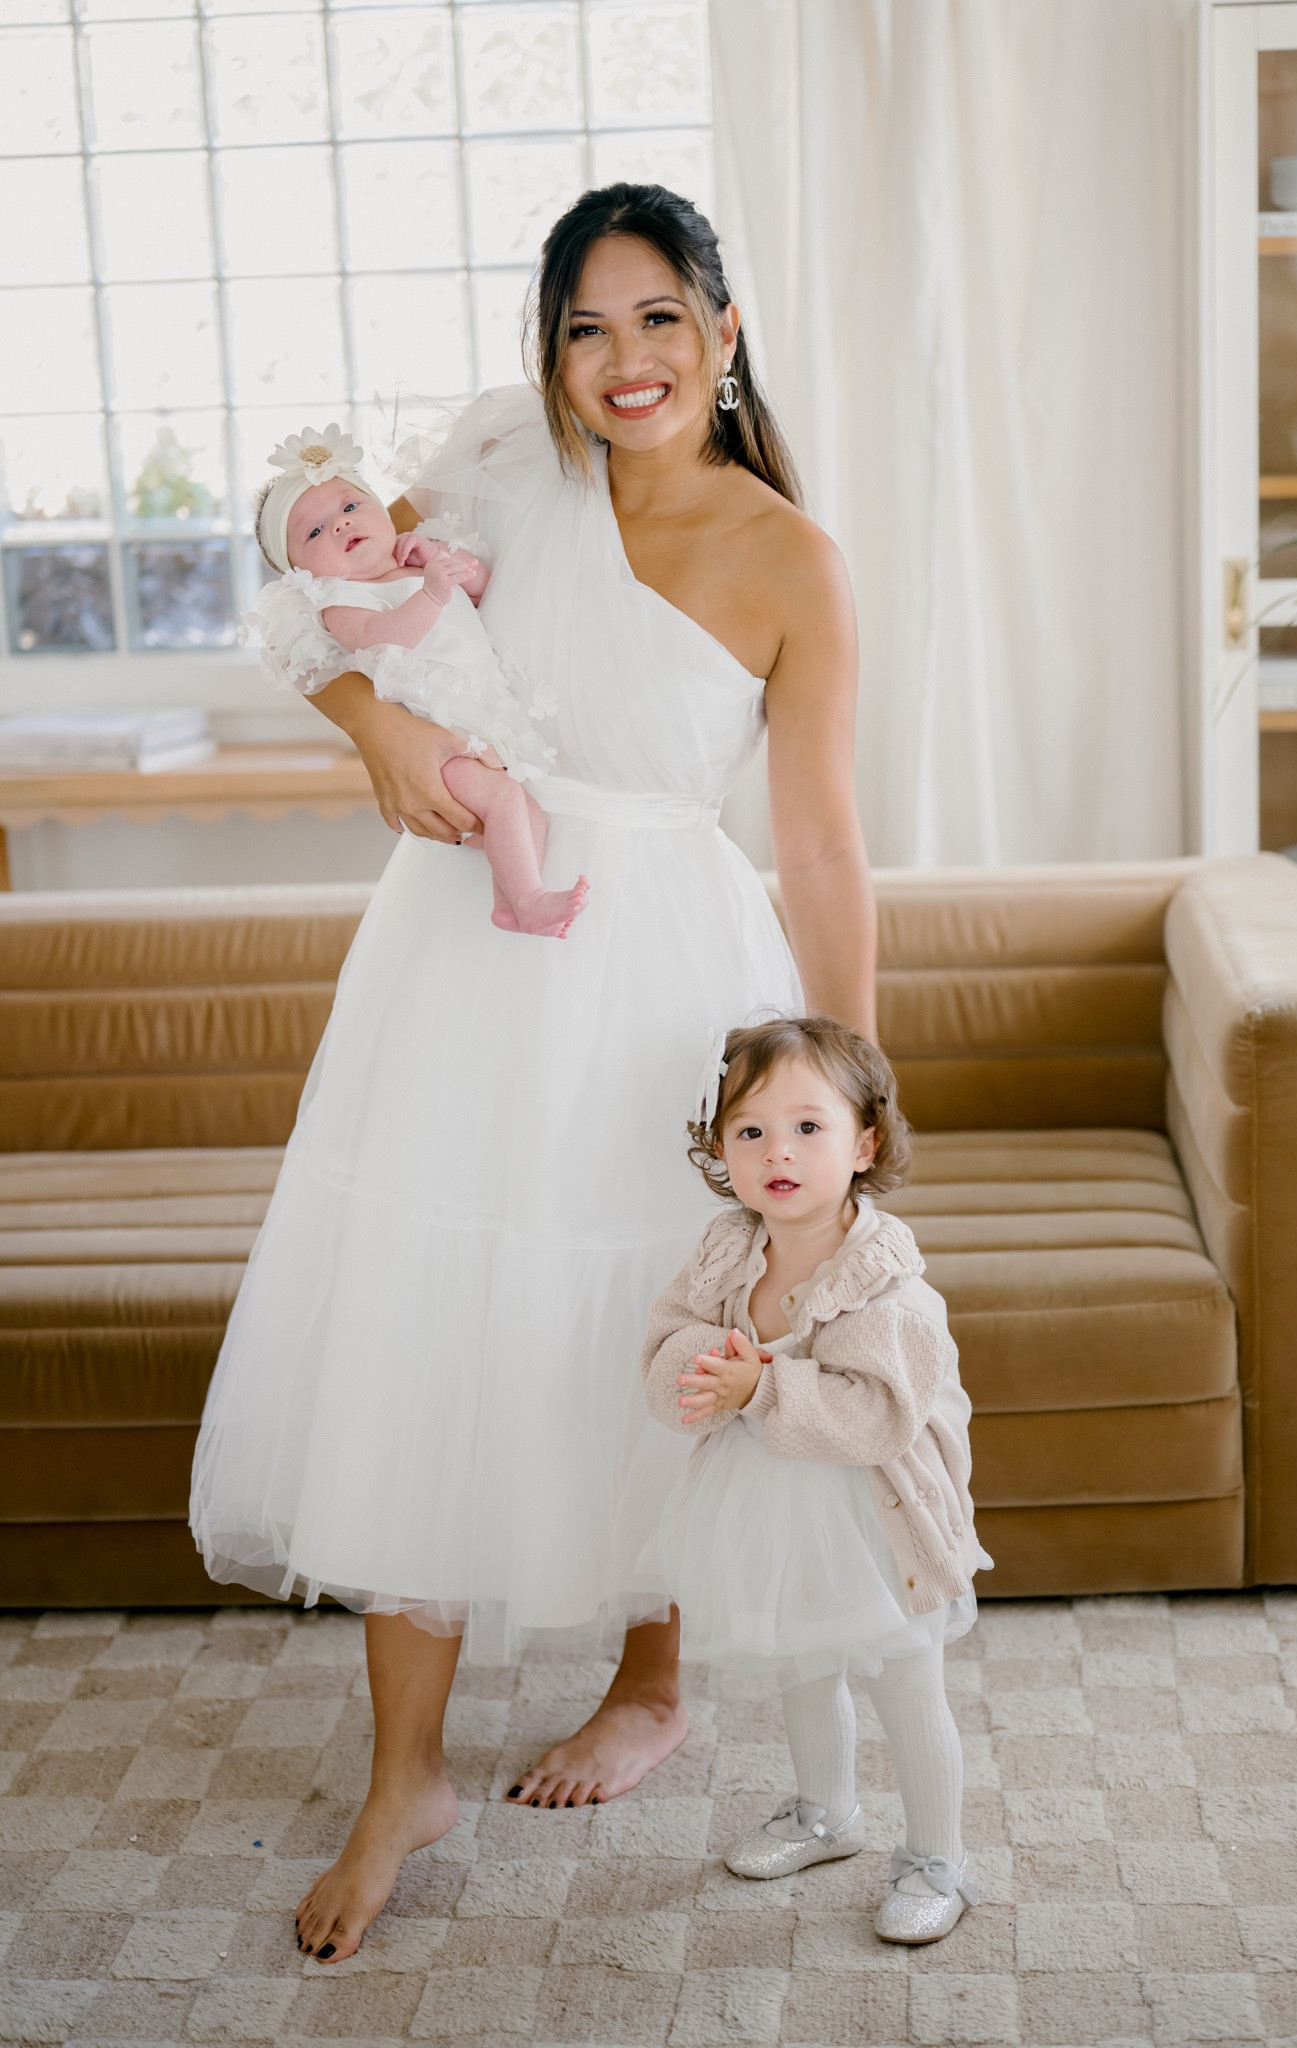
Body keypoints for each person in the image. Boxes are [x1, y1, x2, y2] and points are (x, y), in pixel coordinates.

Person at [189, 181, 875, 1965]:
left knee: (658, 1320)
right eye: (587, 325)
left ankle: (651, 1684)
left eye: (660, 319)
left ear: (725, 333)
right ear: (548, 354)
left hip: (673, 970)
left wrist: (848, 1089)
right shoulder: (500, 468)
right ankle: (400, 1772)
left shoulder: (793, 555)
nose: (623, 358)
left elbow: (819, 848)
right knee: (434, 1324)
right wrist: (383, 730)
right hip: (466, 960)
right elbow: (315, 609)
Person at [640, 1014, 988, 1945]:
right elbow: (667, 1334)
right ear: (719, 1148)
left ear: (863, 1141)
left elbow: (877, 1415)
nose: (776, 1152)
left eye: (807, 1127)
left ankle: (936, 1862)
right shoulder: (726, 1250)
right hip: (767, 1507)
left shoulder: (888, 1288)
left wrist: (762, 1384)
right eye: (748, 1131)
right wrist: (700, 1362)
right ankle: (826, 1813)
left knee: (905, 1682)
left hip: (875, 1518)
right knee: (802, 1664)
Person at [249, 424, 588, 939]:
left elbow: (484, 592)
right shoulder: (342, 605)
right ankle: (529, 899)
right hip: (441, 741)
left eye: (349, 508)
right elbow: (385, 638)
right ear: (301, 573)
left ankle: (511, 903)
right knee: (508, 804)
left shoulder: (413, 566)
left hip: (480, 723)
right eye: (314, 533)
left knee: (527, 814)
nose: (339, 527)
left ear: (380, 509)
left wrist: (439, 563)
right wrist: (429, 594)